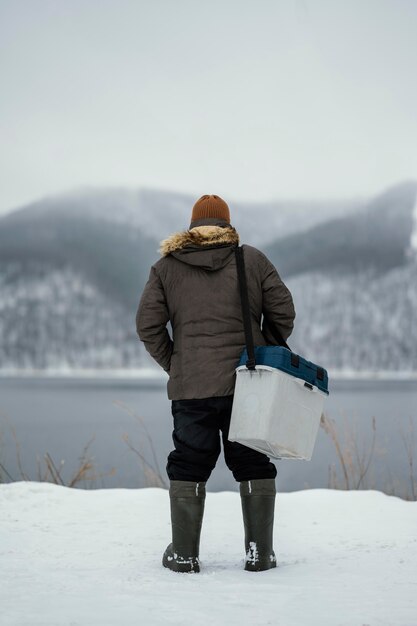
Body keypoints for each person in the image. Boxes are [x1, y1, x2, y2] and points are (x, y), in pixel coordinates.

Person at [135, 194, 295, 573]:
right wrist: (263, 349)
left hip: (192, 387)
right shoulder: (251, 259)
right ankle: (259, 556)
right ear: (227, 224)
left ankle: (184, 557)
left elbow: (147, 326)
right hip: (249, 381)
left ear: (192, 227)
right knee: (253, 459)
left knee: (189, 463)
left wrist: (176, 363)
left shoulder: (166, 268)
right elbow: (283, 311)